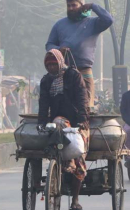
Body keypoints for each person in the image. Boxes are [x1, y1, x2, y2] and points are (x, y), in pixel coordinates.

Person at [38, 49, 89, 210]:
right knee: (58, 125)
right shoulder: (46, 81)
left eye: (54, 64)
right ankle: (61, 165)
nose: (52, 68)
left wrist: (82, 120)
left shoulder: (74, 76)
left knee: (79, 157)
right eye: (49, 65)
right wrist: (41, 122)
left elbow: (82, 99)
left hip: (77, 121)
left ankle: (75, 200)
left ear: (60, 63)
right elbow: (43, 103)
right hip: (58, 120)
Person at [46, 0, 113, 112]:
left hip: (84, 70)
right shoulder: (59, 25)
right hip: (63, 71)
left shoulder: (93, 23)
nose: (71, 8)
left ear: (82, 6)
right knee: (63, 106)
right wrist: (59, 50)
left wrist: (93, 6)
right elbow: (49, 45)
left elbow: (109, 20)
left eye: (74, 5)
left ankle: (85, 127)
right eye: (68, 5)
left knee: (85, 107)